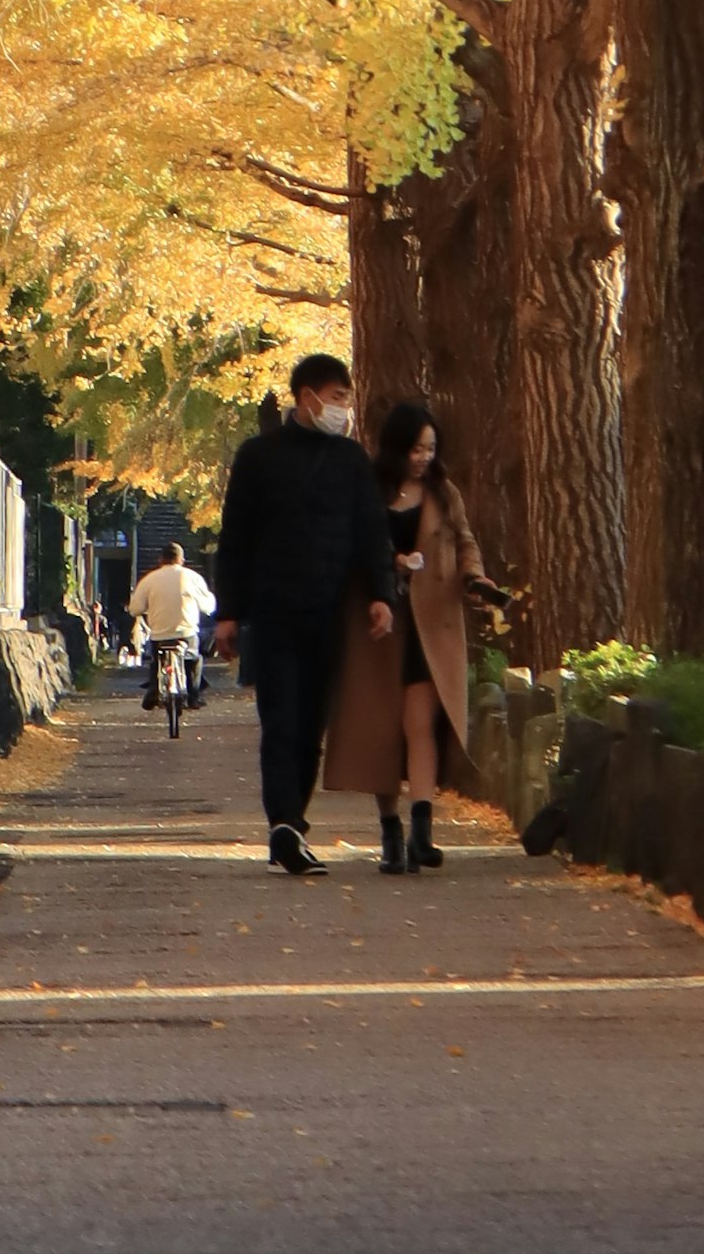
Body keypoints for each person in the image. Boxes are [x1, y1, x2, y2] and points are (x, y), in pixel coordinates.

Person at [210, 358, 403, 875]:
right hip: (273, 610)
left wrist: (381, 594)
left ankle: (293, 824)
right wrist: (227, 612)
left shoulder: (350, 460)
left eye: (346, 398)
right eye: (336, 396)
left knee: (310, 725)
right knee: (280, 721)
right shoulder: (257, 457)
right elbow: (235, 540)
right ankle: (284, 826)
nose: (342, 407)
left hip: (330, 610)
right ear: (306, 396)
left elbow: (371, 534)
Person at [320, 397, 493, 872]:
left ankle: (422, 833)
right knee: (382, 731)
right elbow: (350, 548)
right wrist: (390, 564)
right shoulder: (369, 490)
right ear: (396, 449)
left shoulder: (443, 492)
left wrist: (475, 577)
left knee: (420, 727)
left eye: (431, 448)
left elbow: (464, 540)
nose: (424, 458)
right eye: (416, 449)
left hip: (431, 623)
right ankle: (391, 831)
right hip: (380, 624)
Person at [125, 539, 217, 735]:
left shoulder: (149, 579)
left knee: (156, 659)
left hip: (159, 634)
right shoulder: (192, 577)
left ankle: (153, 691)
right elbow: (208, 606)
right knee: (194, 658)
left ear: (161, 560)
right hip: (186, 633)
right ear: (181, 560)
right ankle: (193, 695)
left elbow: (135, 609)